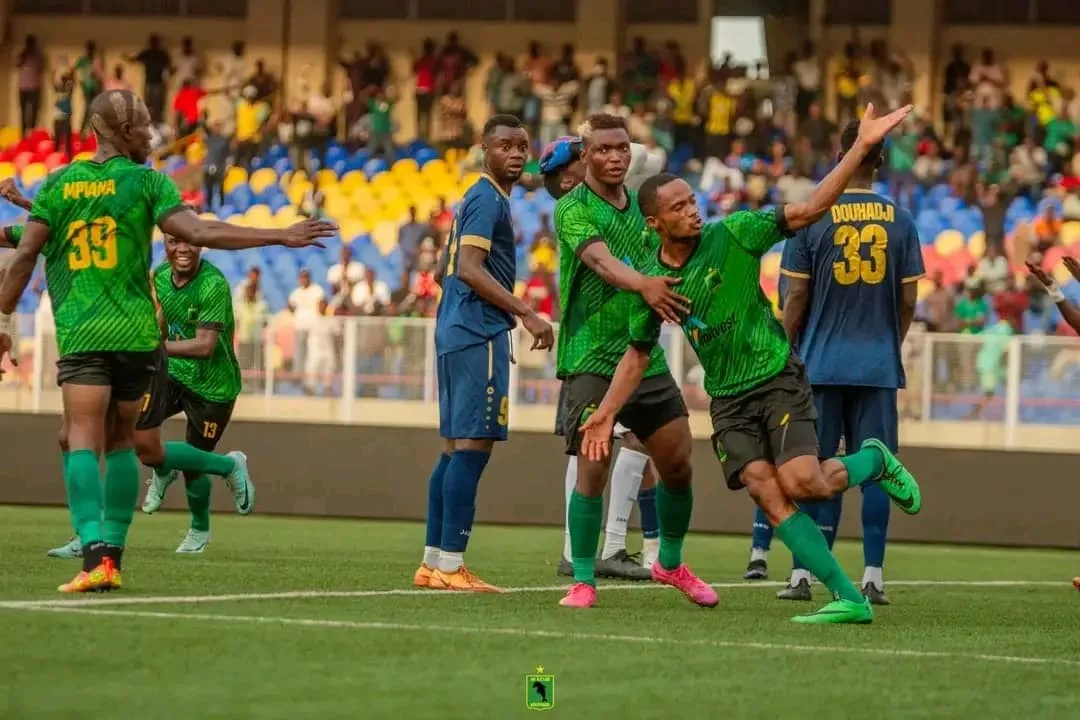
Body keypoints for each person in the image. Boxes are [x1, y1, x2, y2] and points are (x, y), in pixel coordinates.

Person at [580, 103, 923, 625]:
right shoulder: (651, 283)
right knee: (767, 492)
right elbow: (637, 354)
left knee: (804, 483)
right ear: (655, 223)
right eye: (678, 207)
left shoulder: (736, 231)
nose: (692, 212)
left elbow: (809, 210)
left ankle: (873, 460)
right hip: (728, 401)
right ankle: (848, 598)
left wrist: (858, 149)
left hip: (776, 380)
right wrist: (605, 413)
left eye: (692, 201)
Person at [0, 89, 334, 592]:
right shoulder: (148, 183)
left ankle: (92, 554)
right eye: (144, 125)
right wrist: (277, 234)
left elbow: (25, 252)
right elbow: (199, 231)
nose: (152, 134)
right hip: (137, 336)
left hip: (84, 331)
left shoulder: (60, 184)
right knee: (123, 443)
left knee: (80, 437)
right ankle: (111, 558)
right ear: (122, 131)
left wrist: (4, 322)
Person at [553, 113, 712, 611]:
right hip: (589, 356)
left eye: (622, 148)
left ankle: (670, 562)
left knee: (678, 462)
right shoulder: (572, 208)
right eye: (603, 149)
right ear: (585, 155)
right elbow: (600, 261)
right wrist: (645, 285)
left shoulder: (645, 210)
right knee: (592, 468)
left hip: (642, 354)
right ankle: (583, 579)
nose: (614, 157)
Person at [767, 119, 924, 605]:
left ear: (841, 157)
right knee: (877, 465)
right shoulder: (901, 220)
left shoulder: (814, 216)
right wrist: (889, 343)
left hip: (819, 365)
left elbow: (795, 297)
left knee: (811, 468)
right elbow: (908, 301)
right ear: (882, 161)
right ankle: (873, 576)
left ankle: (802, 575)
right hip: (877, 366)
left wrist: (784, 354)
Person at [413, 115, 554, 593]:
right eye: (505, 146)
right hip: (478, 332)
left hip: (455, 330)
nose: (515, 154)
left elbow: (444, 269)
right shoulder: (488, 198)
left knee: (454, 449)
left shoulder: (475, 198)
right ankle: (452, 566)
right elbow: (470, 269)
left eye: (522, 147)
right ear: (484, 149)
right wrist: (526, 312)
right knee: (473, 449)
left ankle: (433, 563)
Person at [47, 233, 248, 558]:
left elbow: (205, 345)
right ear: (164, 243)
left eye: (189, 241)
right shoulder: (161, 275)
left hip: (214, 386)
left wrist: (153, 348)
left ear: (201, 244)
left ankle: (202, 521)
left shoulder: (212, 284)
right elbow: (163, 318)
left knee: (194, 465)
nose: (181, 248)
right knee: (125, 433)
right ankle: (90, 535)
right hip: (171, 374)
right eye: (173, 241)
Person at [538, 135, 666, 578]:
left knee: (636, 440)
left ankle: (612, 546)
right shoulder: (575, 209)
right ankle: (577, 550)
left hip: (627, 338)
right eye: (583, 157)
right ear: (568, 177)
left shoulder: (619, 200)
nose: (600, 160)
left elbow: (645, 155)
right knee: (588, 447)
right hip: (589, 346)